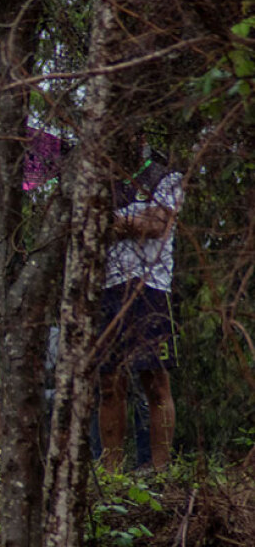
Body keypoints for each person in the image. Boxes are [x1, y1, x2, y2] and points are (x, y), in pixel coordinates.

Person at [97, 149, 183, 472]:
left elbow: (157, 224)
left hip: (151, 289)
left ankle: (161, 468)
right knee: (109, 383)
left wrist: (113, 221)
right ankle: (112, 472)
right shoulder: (99, 181)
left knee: (155, 380)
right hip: (106, 289)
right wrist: (131, 222)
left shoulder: (165, 177)